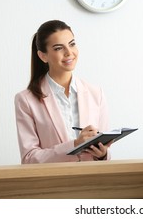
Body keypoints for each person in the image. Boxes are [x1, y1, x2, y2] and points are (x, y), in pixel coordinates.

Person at [15, 20, 111, 164]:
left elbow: (106, 154)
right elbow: (29, 158)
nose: (69, 53)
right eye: (59, 48)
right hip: (54, 184)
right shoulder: (26, 100)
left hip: (93, 181)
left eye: (72, 44)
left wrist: (102, 154)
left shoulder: (96, 94)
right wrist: (75, 145)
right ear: (43, 56)